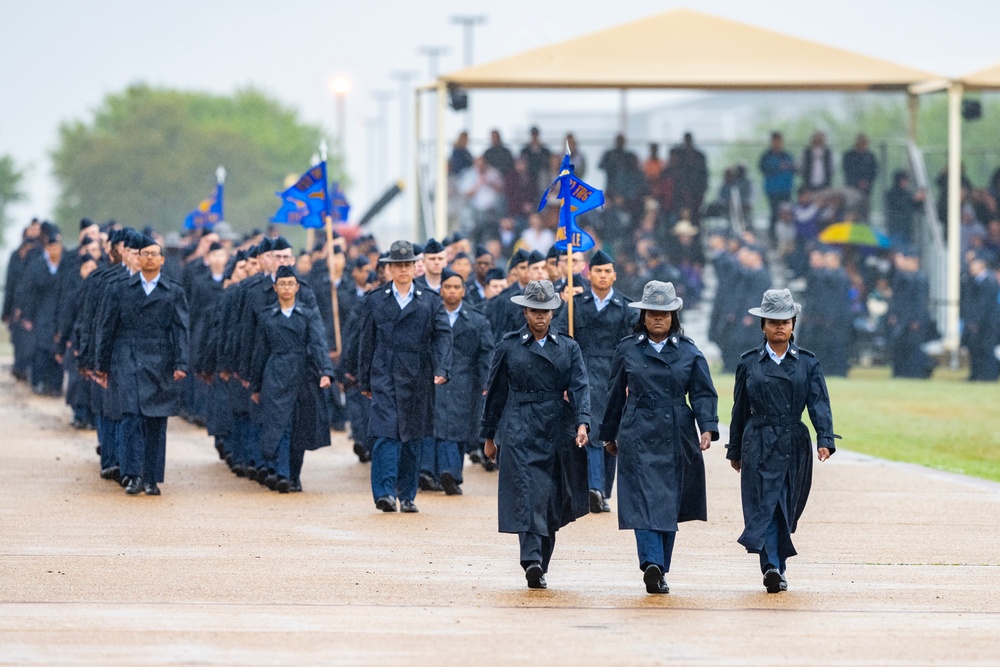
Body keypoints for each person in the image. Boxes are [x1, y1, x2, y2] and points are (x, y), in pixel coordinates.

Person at [599, 280, 718, 594]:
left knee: (668, 501)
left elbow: (704, 393)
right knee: (641, 499)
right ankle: (650, 562)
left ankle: (660, 566)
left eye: (664, 313)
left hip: (676, 431)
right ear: (643, 315)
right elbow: (614, 395)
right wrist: (608, 433)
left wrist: (707, 426)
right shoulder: (627, 349)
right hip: (636, 428)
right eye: (652, 312)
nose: (658, 318)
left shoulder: (689, 351)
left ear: (674, 315)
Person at [727, 289, 839, 593]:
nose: (779, 326)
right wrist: (734, 448)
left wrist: (824, 438)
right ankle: (772, 566)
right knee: (766, 505)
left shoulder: (808, 363)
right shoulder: (748, 363)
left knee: (785, 506)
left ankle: (777, 565)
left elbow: (819, 403)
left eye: (786, 321)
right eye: (773, 321)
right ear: (762, 324)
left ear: (793, 324)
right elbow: (739, 408)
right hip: (758, 442)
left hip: (793, 443)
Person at [481, 280, 591, 589]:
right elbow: (496, 393)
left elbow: (580, 386)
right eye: (533, 310)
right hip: (519, 426)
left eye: (545, 311)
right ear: (525, 311)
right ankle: (530, 558)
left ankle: (541, 563)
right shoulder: (509, 345)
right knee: (526, 494)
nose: (540, 317)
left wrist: (583, 422)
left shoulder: (569, 347)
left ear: (554, 311)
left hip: (557, 426)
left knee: (551, 499)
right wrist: (489, 436)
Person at [358, 240, 453, 513]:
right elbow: (366, 342)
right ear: (389, 268)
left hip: (418, 374)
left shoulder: (430, 301)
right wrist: (364, 379)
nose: (402, 270)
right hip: (384, 372)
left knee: (413, 436)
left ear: (415, 267)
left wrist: (442, 368)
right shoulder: (376, 300)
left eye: (407, 265)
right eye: (397, 265)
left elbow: (443, 336)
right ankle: (385, 492)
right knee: (385, 433)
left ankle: (407, 494)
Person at [94, 235, 190, 496]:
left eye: (153, 254)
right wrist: (101, 365)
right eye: (143, 254)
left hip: (160, 358)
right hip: (127, 356)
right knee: (131, 416)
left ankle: (152, 478)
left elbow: (181, 329)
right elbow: (107, 328)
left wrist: (182, 362)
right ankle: (132, 474)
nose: (148, 258)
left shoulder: (173, 291)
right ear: (137, 258)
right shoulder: (121, 289)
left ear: (161, 260)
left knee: (156, 420)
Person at [553, 250, 637, 513]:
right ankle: (594, 488)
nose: (602, 276)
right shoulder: (575, 305)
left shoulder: (626, 307)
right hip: (583, 372)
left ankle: (602, 489)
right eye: (597, 271)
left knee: (609, 432)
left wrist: (630, 379)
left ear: (614, 275)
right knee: (588, 430)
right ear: (589, 274)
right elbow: (561, 338)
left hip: (614, 375)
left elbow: (633, 346)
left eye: (607, 271)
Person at [249, 266, 335, 492]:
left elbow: (318, 342)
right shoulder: (267, 316)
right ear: (275, 287)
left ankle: (294, 474)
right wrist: (255, 385)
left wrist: (325, 371)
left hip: (303, 374)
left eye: (290, 284)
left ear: (297, 287)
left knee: (299, 427)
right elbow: (260, 351)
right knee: (279, 424)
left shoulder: (307, 314)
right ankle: (282, 473)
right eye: (282, 284)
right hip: (275, 373)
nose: (286, 288)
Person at [425, 269, 495, 494]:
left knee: (458, 428)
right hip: (434, 377)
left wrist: (487, 383)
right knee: (433, 425)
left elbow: (486, 353)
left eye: (456, 287)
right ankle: (428, 472)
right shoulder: (430, 315)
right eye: (447, 287)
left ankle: (450, 474)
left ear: (463, 291)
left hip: (465, 381)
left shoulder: (476, 319)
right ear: (440, 290)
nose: (452, 291)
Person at [960, 252, 1000, 382]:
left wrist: (976, 321)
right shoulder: (974, 280)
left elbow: (984, 305)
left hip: (987, 323)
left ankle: (989, 376)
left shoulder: (990, 282)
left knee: (986, 349)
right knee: (974, 349)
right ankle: (976, 374)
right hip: (976, 322)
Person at [759, 132, 796, 246]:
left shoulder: (787, 156)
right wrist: (778, 167)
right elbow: (764, 169)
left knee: (786, 216)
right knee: (775, 215)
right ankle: (773, 240)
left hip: (786, 190)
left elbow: (794, 168)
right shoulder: (766, 156)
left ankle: (787, 241)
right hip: (773, 191)